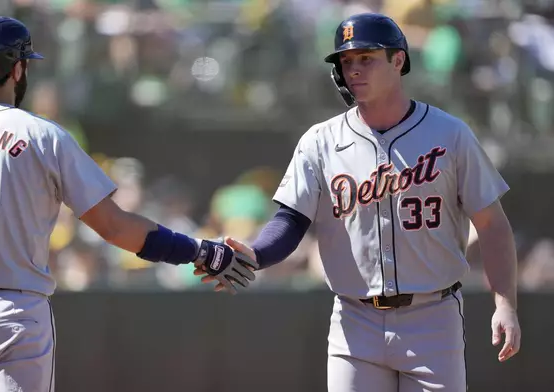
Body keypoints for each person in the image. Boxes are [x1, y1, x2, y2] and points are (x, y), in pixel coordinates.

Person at [0, 16, 257, 392]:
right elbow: (113, 226)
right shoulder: (43, 134)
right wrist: (197, 250)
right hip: (14, 312)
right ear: (18, 68)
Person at [196, 13, 521, 392]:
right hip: (355, 322)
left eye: (366, 58)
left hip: (433, 317)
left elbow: (492, 225)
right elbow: (290, 222)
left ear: (398, 60)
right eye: (346, 61)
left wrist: (506, 303)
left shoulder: (450, 135)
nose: (354, 69)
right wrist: (255, 253)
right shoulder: (320, 141)